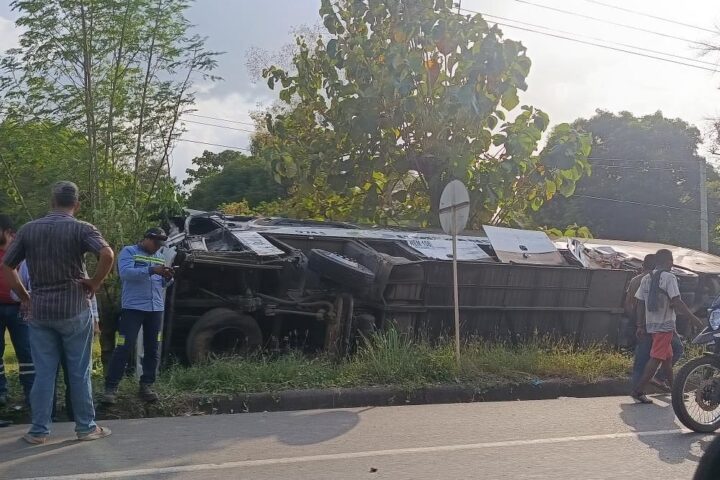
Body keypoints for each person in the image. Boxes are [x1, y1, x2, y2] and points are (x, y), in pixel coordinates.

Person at [1, 181, 115, 444]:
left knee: (44, 373)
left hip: (40, 311)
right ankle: (85, 427)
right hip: (74, 308)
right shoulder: (82, 228)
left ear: (52, 202)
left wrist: (25, 296)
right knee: (78, 372)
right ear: (76, 204)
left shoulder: (29, 230)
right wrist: (95, 282)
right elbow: (107, 254)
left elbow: (8, 267)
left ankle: (38, 431)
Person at [13, 261, 100, 421]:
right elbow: (90, 290)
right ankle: (82, 422)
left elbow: (14, 291)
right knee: (75, 372)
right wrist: (94, 317)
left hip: (45, 318)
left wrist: (29, 297)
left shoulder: (29, 260)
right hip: (70, 317)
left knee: (46, 373)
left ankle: (42, 424)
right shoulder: (73, 257)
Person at [102, 227, 174, 404]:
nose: (158, 247)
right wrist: (151, 270)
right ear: (147, 239)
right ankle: (111, 388)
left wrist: (167, 277)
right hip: (133, 308)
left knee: (153, 348)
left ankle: (146, 385)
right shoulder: (129, 252)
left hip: (155, 309)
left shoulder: (159, 256)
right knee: (124, 347)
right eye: (156, 243)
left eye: (160, 245)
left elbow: (161, 283)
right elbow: (126, 274)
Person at [631, 249, 702, 404]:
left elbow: (640, 303)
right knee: (656, 358)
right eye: (672, 261)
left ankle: (675, 390)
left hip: (652, 325)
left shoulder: (646, 278)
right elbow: (677, 301)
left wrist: (640, 325)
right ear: (669, 261)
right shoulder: (669, 277)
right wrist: (693, 318)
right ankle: (638, 390)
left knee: (667, 360)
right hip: (665, 326)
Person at [626, 254, 683, 391]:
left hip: (643, 325)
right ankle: (642, 388)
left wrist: (637, 324)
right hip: (661, 326)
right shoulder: (664, 279)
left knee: (644, 359)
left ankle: (671, 388)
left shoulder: (636, 280)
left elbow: (629, 304)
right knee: (672, 351)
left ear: (643, 265)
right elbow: (674, 303)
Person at [0, 215, 34, 407]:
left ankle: (31, 393)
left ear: (7, 232)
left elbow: (30, 276)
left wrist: (26, 297)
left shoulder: (22, 251)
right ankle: (1, 393)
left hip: (20, 308)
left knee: (26, 351)